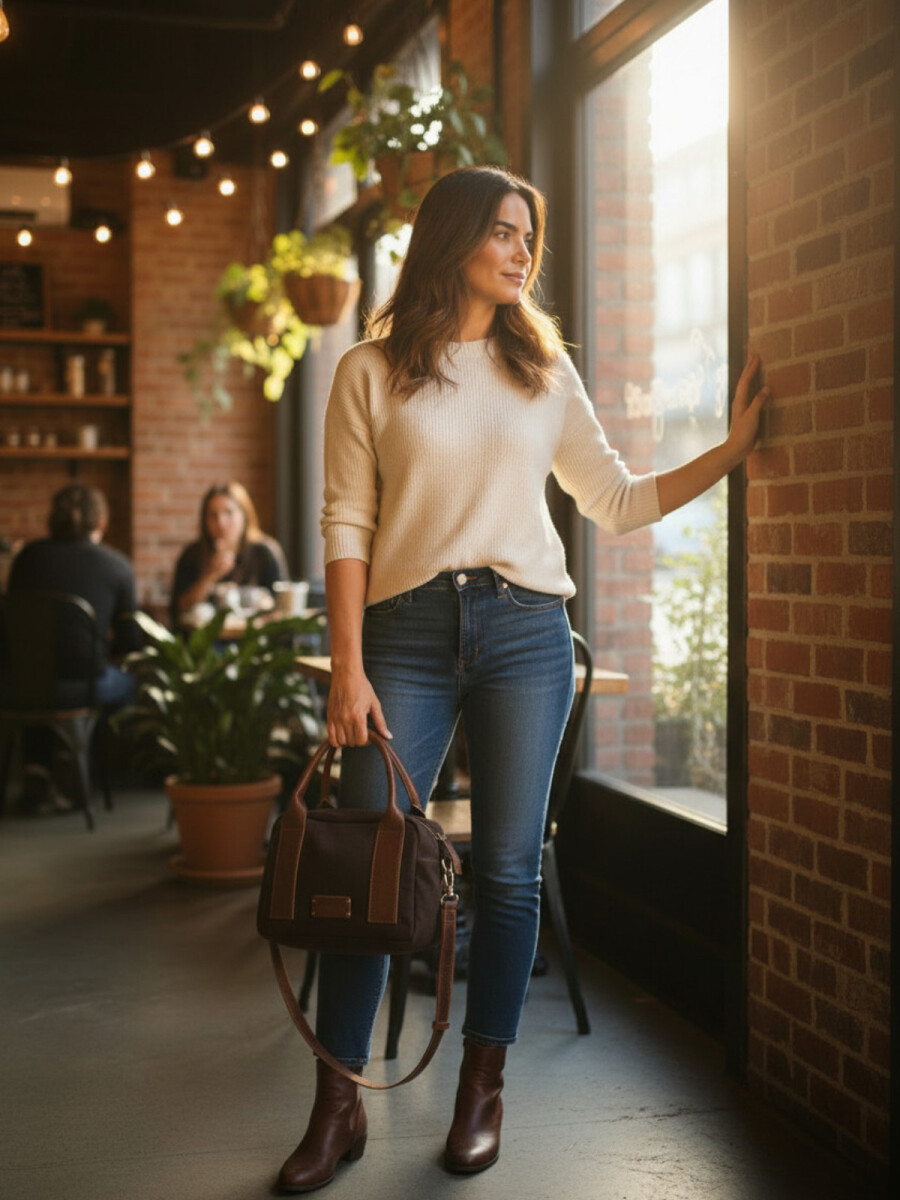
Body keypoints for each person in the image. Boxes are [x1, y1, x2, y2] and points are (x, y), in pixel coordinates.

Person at [277, 166, 770, 1192]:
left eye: (528, 236)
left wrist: (728, 453)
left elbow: (619, 503)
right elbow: (345, 525)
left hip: (525, 634)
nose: (519, 250)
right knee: (372, 869)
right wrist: (349, 668)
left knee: (505, 870)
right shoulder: (371, 371)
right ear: (453, 236)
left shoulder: (544, 372)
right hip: (402, 634)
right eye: (502, 231)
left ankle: (481, 1089)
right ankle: (337, 1105)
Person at [3, 483, 139, 811]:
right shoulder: (117, 566)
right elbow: (132, 642)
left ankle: (40, 768)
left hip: (20, 686)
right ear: (101, 521)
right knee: (129, 681)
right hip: (84, 689)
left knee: (42, 672)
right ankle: (87, 766)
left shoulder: (27, 558)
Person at [170, 481, 288, 622]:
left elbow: (282, 606)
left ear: (244, 516)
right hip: (205, 641)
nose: (221, 522)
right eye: (213, 515)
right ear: (204, 520)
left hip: (255, 639)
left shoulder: (264, 553)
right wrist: (211, 575)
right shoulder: (192, 555)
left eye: (229, 513)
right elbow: (179, 610)